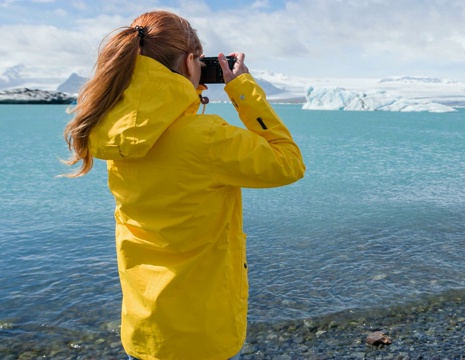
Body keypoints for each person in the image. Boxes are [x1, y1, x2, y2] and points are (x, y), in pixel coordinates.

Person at [63, 10, 305, 360]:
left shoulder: (110, 131)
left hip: (145, 329)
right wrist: (244, 90)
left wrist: (185, 94)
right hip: (202, 335)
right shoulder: (207, 138)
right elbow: (289, 163)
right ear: (192, 62)